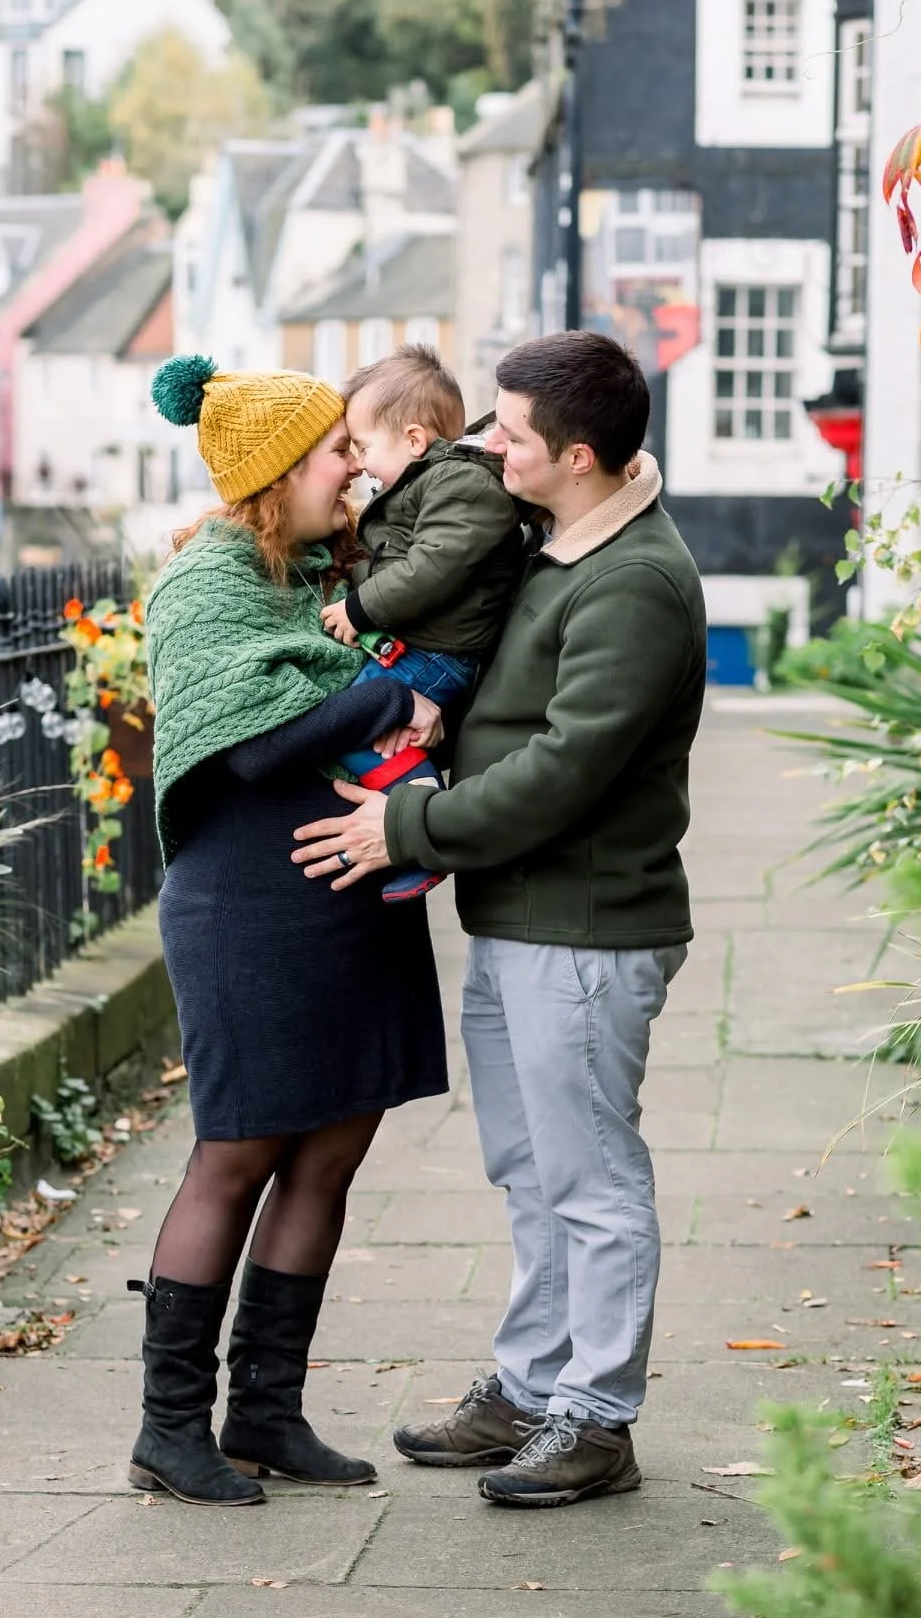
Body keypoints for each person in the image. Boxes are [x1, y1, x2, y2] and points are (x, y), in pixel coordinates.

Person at [293, 330, 707, 1510]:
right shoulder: (560, 539)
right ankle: (530, 1385)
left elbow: (570, 767)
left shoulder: (634, 582)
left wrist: (407, 827)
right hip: (525, 915)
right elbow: (518, 713)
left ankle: (596, 1416)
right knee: (532, 1170)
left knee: (590, 1176)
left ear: (576, 455)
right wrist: (435, 733)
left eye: (509, 433)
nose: (485, 444)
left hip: (586, 931)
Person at [129, 354, 448, 1508]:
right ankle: (171, 1428)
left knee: (331, 1148)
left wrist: (393, 694)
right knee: (238, 1151)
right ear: (272, 475)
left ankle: (265, 1411)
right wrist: (387, 696)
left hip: (344, 898)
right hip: (245, 909)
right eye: (333, 453)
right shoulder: (204, 583)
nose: (353, 468)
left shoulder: (320, 570)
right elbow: (256, 741)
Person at [319, 344, 521, 903]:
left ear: (413, 439)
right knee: (372, 732)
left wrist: (359, 609)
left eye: (363, 447)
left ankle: (418, 812)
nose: (358, 464)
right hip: (421, 647)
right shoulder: (429, 484)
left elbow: (432, 567)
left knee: (353, 728)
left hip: (435, 654)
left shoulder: (463, 486)